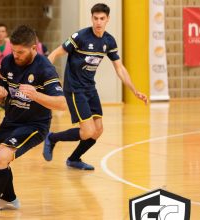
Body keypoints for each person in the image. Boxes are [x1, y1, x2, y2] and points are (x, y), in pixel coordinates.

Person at [0, 25, 67, 219]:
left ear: (34, 48)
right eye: (13, 50)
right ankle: (10, 199)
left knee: (0, 157)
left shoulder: (45, 69)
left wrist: (36, 95)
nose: (16, 55)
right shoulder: (8, 61)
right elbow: (1, 95)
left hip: (35, 125)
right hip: (11, 120)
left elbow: (62, 104)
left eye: (21, 52)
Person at [42, 3, 148, 170]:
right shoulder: (80, 37)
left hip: (90, 88)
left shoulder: (109, 41)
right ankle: (52, 137)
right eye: (95, 18)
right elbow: (55, 53)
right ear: (91, 18)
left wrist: (134, 91)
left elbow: (119, 68)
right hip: (75, 88)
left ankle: (74, 159)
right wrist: (47, 78)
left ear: (108, 20)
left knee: (98, 130)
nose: (98, 22)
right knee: (87, 132)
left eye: (102, 19)